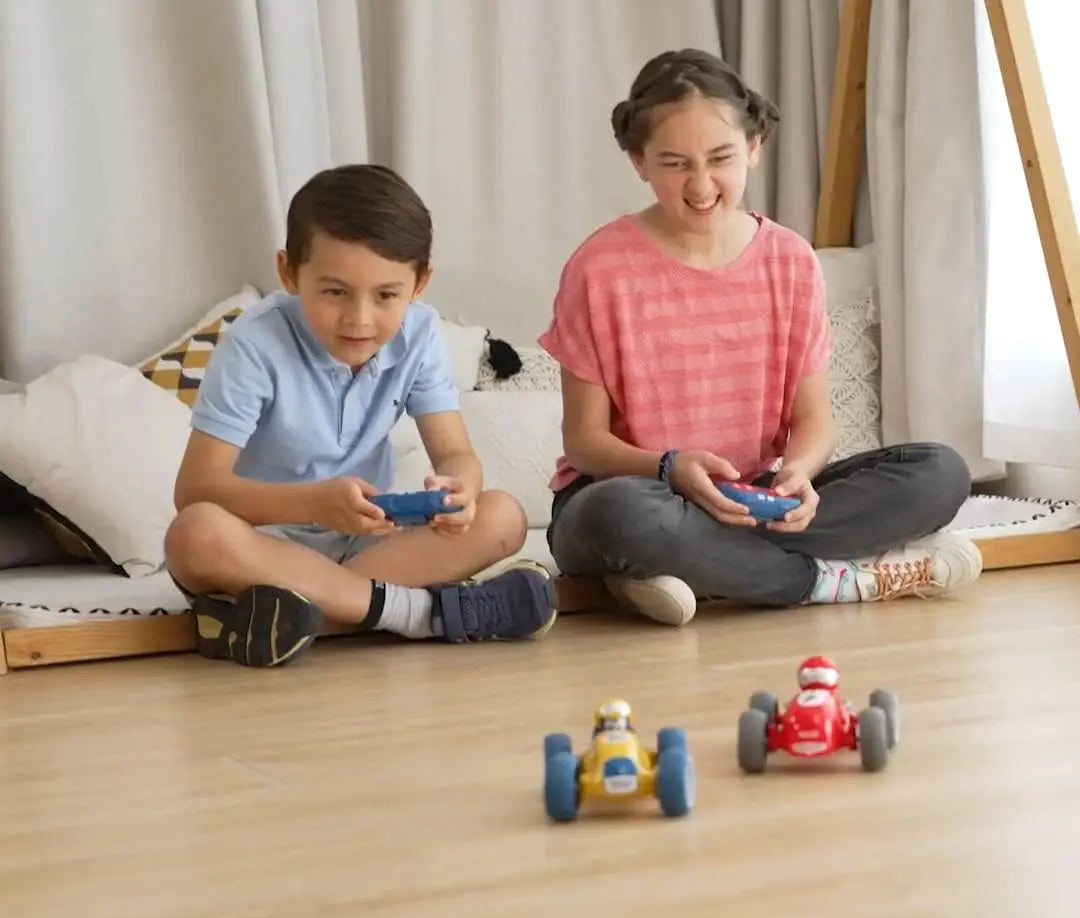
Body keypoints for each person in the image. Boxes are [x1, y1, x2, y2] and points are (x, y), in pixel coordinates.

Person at [539, 48, 981, 627]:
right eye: (675, 164)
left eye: (720, 157)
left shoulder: (791, 261)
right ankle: (828, 582)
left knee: (940, 472)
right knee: (619, 516)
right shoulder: (599, 269)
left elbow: (815, 423)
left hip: (754, 497)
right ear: (638, 161)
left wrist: (799, 472)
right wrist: (669, 468)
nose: (701, 185)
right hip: (634, 493)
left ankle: (689, 569)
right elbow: (584, 444)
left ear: (754, 145)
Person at [165, 164, 557, 667]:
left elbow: (456, 452)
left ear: (420, 283)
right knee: (194, 534)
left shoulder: (419, 334)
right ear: (288, 272)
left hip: (365, 545)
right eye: (334, 292)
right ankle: (422, 615)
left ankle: (281, 617)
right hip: (263, 546)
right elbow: (194, 490)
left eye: (386, 295)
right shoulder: (253, 346)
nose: (359, 319)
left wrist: (459, 490)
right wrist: (312, 505)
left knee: (502, 516)